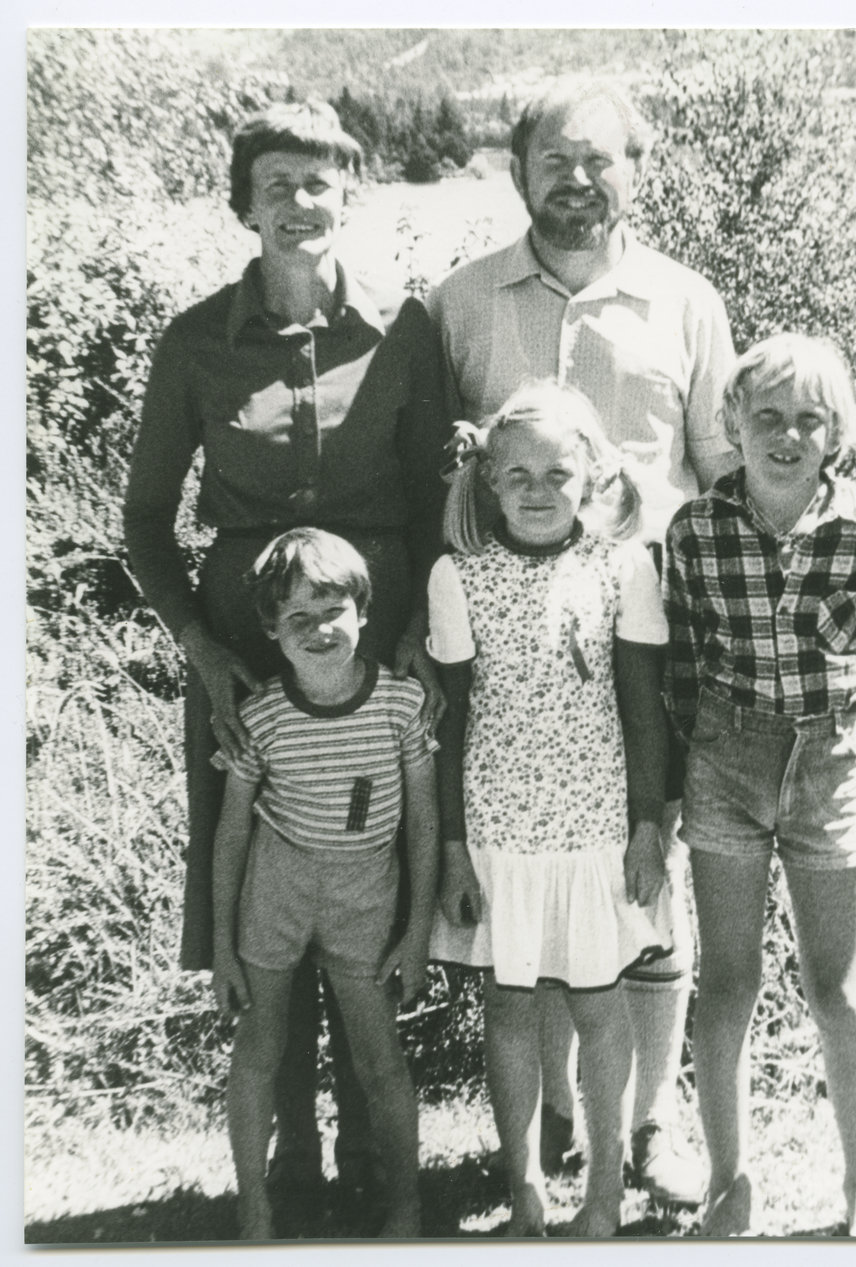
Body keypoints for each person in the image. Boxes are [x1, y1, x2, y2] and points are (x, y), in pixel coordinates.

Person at [123, 101, 448, 1209]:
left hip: (378, 645)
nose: (300, 203)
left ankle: (373, 1161)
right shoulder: (195, 344)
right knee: (261, 872)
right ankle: (289, 1163)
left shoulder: (406, 330)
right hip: (246, 652)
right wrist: (204, 650)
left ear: (349, 195)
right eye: (278, 184)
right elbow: (145, 524)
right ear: (242, 203)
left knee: (371, 863)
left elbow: (437, 496)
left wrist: (415, 638)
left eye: (320, 181)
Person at [426, 80, 735, 1206]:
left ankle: (646, 1127)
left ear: (636, 171)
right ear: (519, 174)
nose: (576, 179)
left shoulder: (685, 302)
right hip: (514, 658)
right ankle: (560, 1122)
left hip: (660, 636)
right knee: (542, 898)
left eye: (599, 159)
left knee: (651, 890)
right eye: (554, 159)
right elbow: (440, 477)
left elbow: (723, 469)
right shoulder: (459, 304)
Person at [663, 334, 856, 1237]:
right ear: (732, 423)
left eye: (809, 419)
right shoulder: (695, 529)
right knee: (726, 979)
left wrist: (825, 742)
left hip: (826, 762)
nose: (786, 434)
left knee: (835, 981)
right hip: (725, 757)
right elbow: (684, 663)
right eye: (767, 416)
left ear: (836, 431)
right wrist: (701, 760)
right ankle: (730, 1181)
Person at [428, 380, 672, 1237]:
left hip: (599, 835)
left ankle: (602, 1196)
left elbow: (646, 714)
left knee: (600, 1006)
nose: (537, 489)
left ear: (591, 479)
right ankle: (525, 1190)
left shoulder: (624, 567)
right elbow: (450, 725)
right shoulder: (456, 577)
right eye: (518, 473)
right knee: (508, 1008)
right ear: (488, 479)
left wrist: (651, 829)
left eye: (557, 473)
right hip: (500, 839)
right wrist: (453, 851)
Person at [211, 529, 438, 1239]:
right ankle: (255, 1207)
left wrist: (418, 932)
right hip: (277, 882)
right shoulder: (262, 716)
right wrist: (222, 944)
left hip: (364, 890)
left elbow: (423, 826)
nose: (316, 631)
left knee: (380, 1057)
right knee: (260, 1047)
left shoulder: (401, 704)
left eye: (330, 609)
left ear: (363, 610)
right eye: (296, 618)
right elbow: (232, 834)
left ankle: (403, 1208)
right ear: (271, 631)